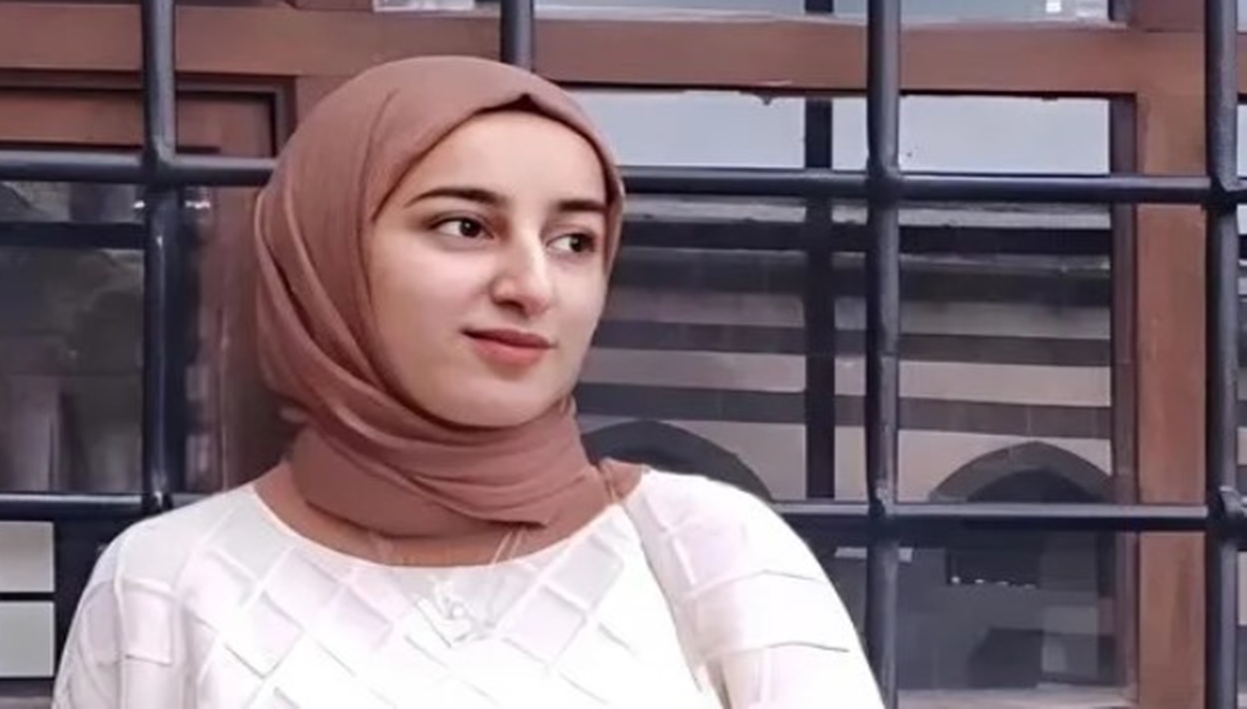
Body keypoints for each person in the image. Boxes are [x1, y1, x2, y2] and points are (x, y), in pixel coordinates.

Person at [51, 55, 885, 708]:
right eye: (465, 226)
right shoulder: (166, 584)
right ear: (326, 254)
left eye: (573, 241)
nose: (533, 286)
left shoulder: (712, 551)